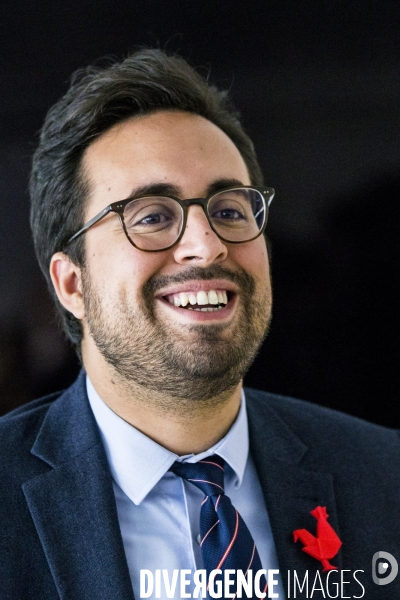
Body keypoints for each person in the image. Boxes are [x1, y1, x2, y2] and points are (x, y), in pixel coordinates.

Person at [0, 49, 399, 600]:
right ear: (73, 285)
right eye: (153, 217)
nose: (207, 244)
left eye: (230, 210)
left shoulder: (384, 479)